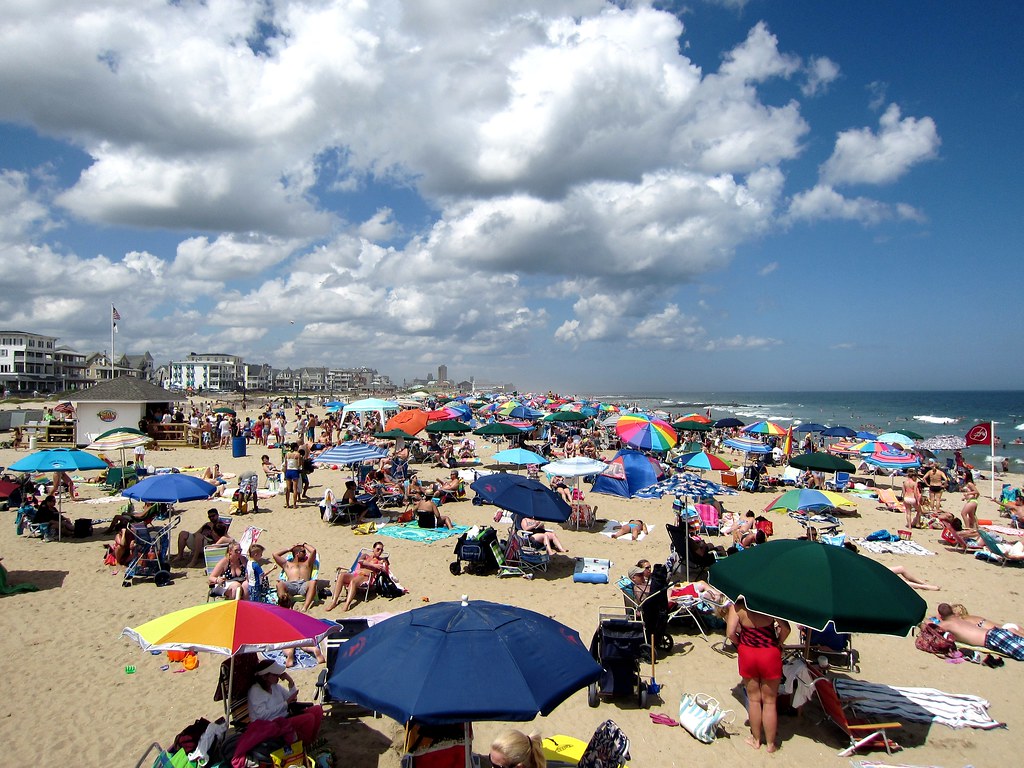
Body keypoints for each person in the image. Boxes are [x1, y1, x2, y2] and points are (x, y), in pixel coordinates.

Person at [726, 597, 790, 752]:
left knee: (754, 700)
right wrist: (779, 642)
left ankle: (756, 740)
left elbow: (730, 633)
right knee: (769, 702)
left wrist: (741, 643)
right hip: (769, 653)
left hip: (748, 653)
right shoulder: (770, 604)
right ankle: (770, 744)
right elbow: (786, 629)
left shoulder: (738, 607)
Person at [247, 659, 323, 743]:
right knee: (308, 718)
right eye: (275, 675)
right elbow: (262, 715)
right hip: (270, 725)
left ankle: (311, 740)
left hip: (284, 718)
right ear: (265, 677)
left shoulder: (274, 686)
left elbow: (292, 699)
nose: (279, 676)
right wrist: (285, 704)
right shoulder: (256, 691)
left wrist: (290, 682)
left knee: (317, 710)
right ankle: (307, 744)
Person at [934, 603, 1024, 660]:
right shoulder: (960, 619)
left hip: (992, 638)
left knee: (1022, 654)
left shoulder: (947, 624)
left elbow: (931, 628)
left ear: (941, 616)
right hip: (999, 631)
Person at [326, 541, 389, 612]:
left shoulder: (381, 560)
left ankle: (347, 604)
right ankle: (334, 601)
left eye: (381, 550)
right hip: (356, 574)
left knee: (353, 581)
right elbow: (360, 561)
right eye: (378, 549)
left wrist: (382, 566)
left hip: (366, 577)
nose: (380, 551)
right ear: (373, 549)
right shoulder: (365, 555)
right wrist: (373, 565)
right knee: (341, 575)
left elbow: (385, 571)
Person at [274, 542, 318, 612]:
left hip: (304, 584)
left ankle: (305, 607)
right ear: (297, 554)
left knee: (313, 582)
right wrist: (289, 549)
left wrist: (304, 544)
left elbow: (313, 551)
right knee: (279, 584)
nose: (306, 554)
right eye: (303, 552)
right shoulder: (287, 564)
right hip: (290, 585)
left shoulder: (307, 563)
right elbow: (275, 554)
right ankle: (284, 606)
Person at [283, 443, 302, 508]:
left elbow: (285, 464)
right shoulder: (298, 454)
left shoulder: (287, 454)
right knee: (294, 488)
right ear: (296, 447)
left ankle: (287, 503)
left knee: (288, 488)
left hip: (288, 471)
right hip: (294, 471)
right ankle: (294, 504)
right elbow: (299, 464)